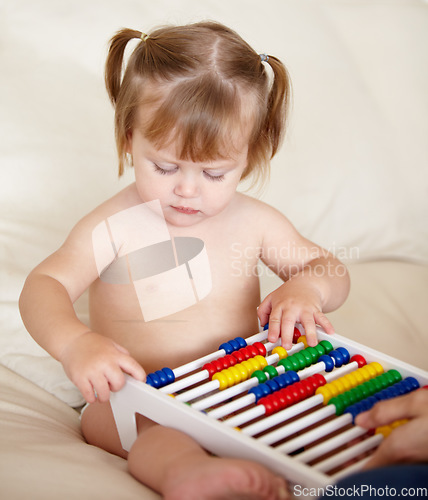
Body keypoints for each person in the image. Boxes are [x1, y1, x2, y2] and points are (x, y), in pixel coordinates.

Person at [19, 22, 350, 500]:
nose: (188, 190)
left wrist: (307, 287)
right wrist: (75, 344)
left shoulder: (255, 221)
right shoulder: (114, 226)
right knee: (143, 431)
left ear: (249, 155)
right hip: (144, 396)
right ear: (130, 139)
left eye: (215, 172)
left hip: (243, 386)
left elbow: (332, 271)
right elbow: (45, 283)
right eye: (166, 167)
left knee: (320, 408)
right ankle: (188, 475)